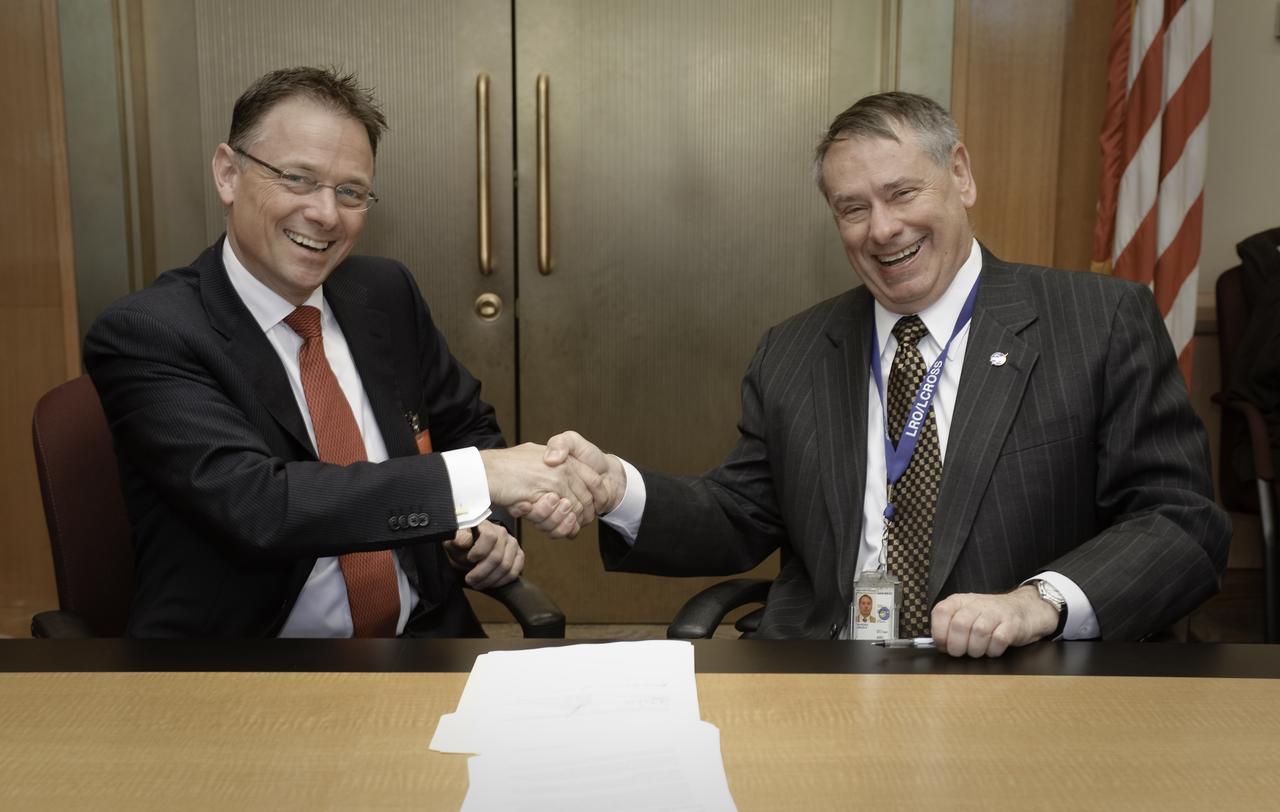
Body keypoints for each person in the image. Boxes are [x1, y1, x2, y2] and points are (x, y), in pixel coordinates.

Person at [519, 91, 1231, 657]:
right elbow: (738, 517)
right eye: (852, 209)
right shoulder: (795, 351)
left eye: (902, 194)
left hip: (1017, 676)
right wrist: (618, 488)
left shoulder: (1096, 321)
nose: (881, 229)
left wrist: (1037, 602)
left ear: (960, 174)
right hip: (824, 672)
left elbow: (1181, 522)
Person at [85, 67, 597, 638]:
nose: (326, 214)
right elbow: (263, 507)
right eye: (298, 179)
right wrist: (480, 477)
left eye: (350, 191)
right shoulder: (149, 333)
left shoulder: (383, 293)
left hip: (424, 642)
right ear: (228, 174)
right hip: (247, 670)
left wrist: (481, 526)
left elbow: (467, 426)